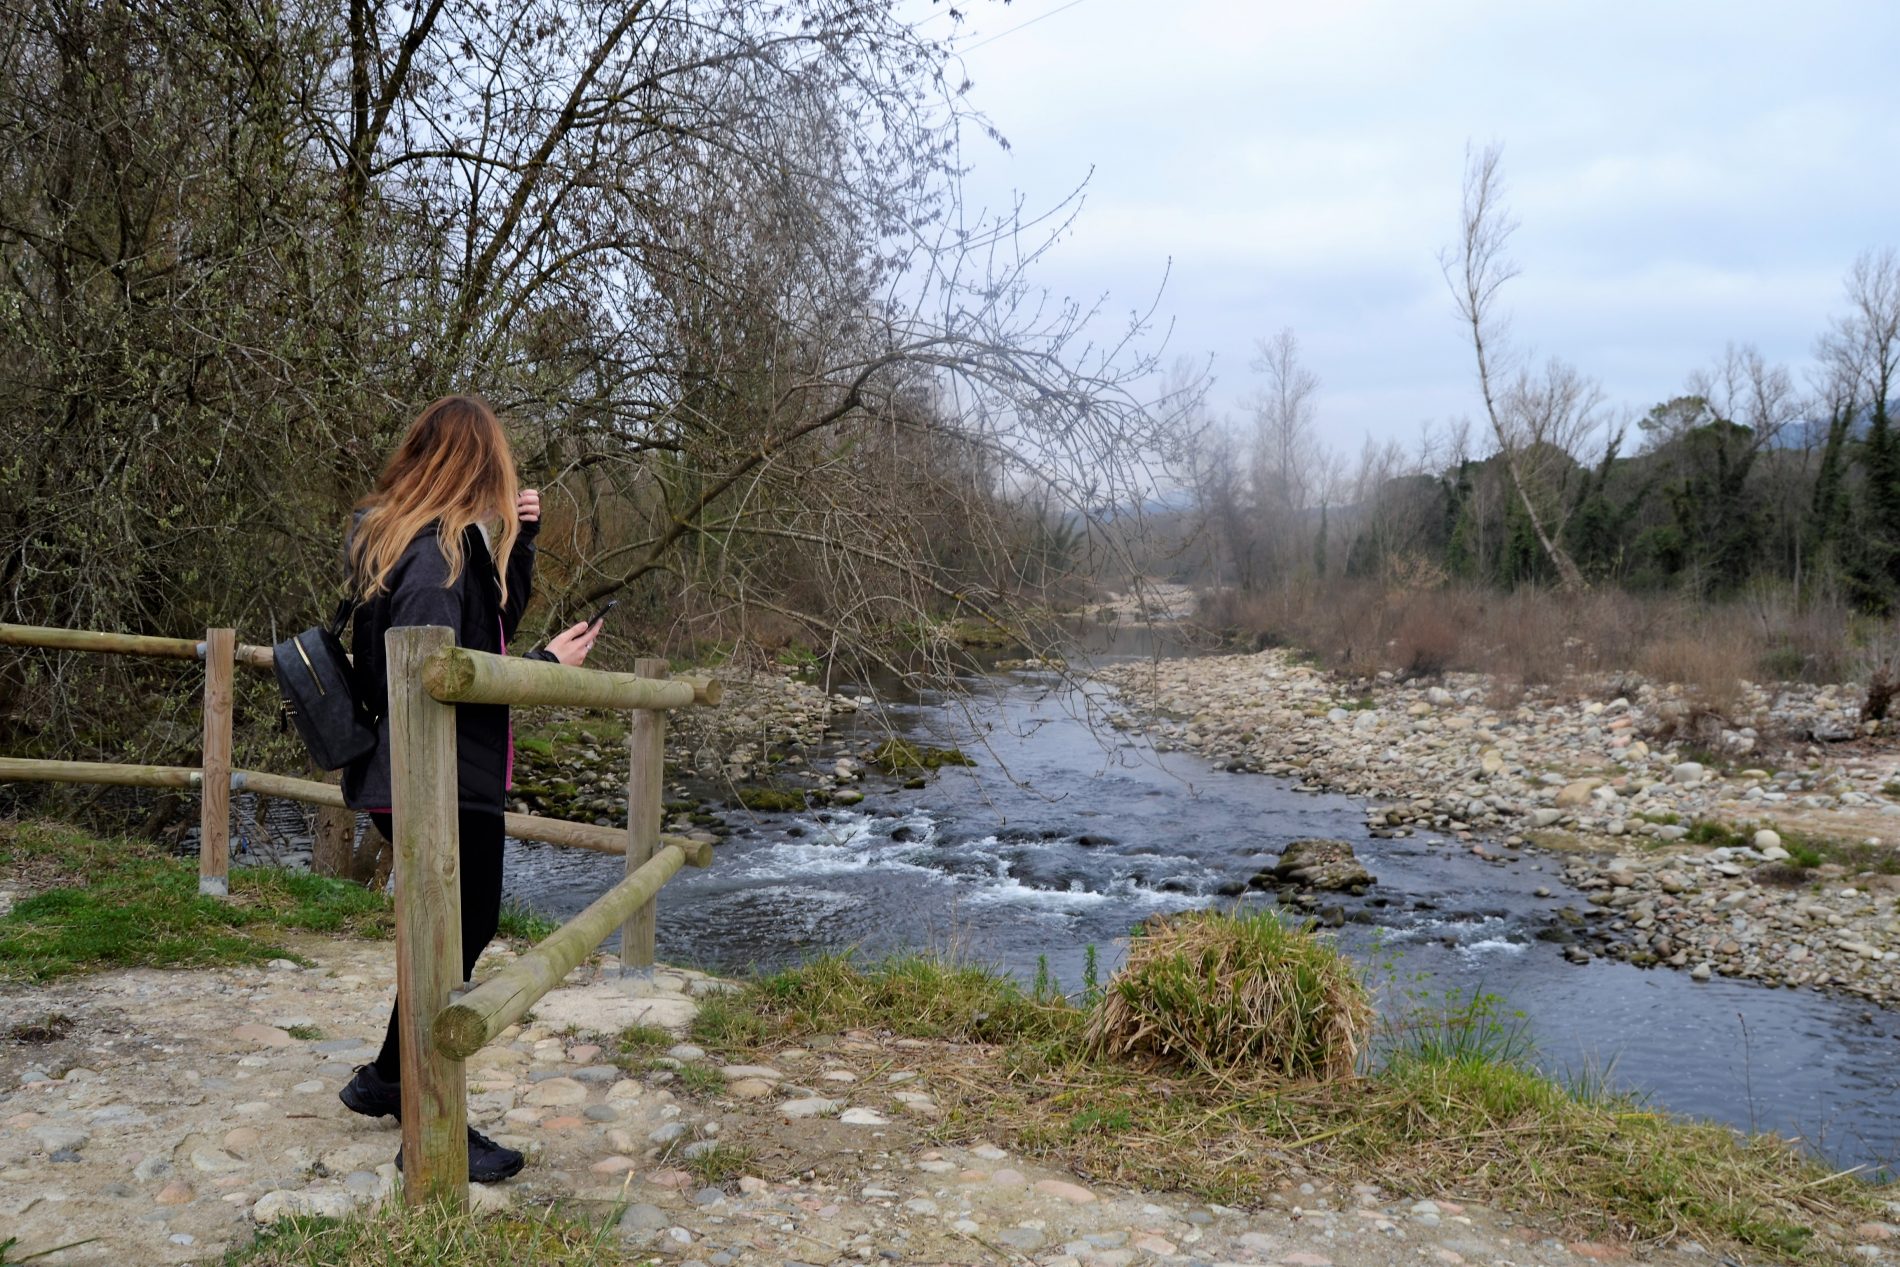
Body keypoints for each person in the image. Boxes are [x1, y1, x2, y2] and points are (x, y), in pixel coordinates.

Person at [333, 394, 599, 1183]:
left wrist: (522, 545)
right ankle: (428, 1121)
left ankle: (386, 1076)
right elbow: (441, 677)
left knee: (451, 929)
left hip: (436, 773)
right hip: (438, 775)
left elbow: (489, 629)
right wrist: (549, 669)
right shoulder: (431, 559)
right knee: (460, 929)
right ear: (480, 466)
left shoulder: (426, 544)